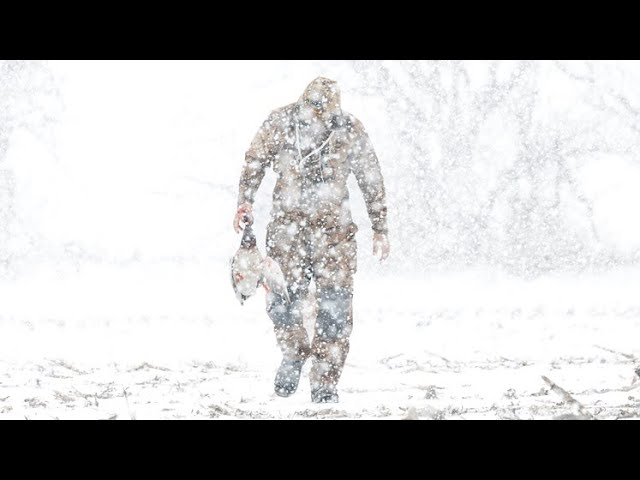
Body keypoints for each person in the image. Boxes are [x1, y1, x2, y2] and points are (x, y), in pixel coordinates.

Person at [233, 77, 389, 403]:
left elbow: (370, 176)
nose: (319, 118)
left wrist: (380, 228)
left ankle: (325, 386)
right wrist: (244, 201)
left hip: (335, 239)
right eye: (314, 110)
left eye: (325, 113)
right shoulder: (281, 122)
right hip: (287, 235)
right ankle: (293, 352)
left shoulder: (348, 129)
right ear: (304, 103)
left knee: (335, 313)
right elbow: (255, 160)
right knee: (281, 303)